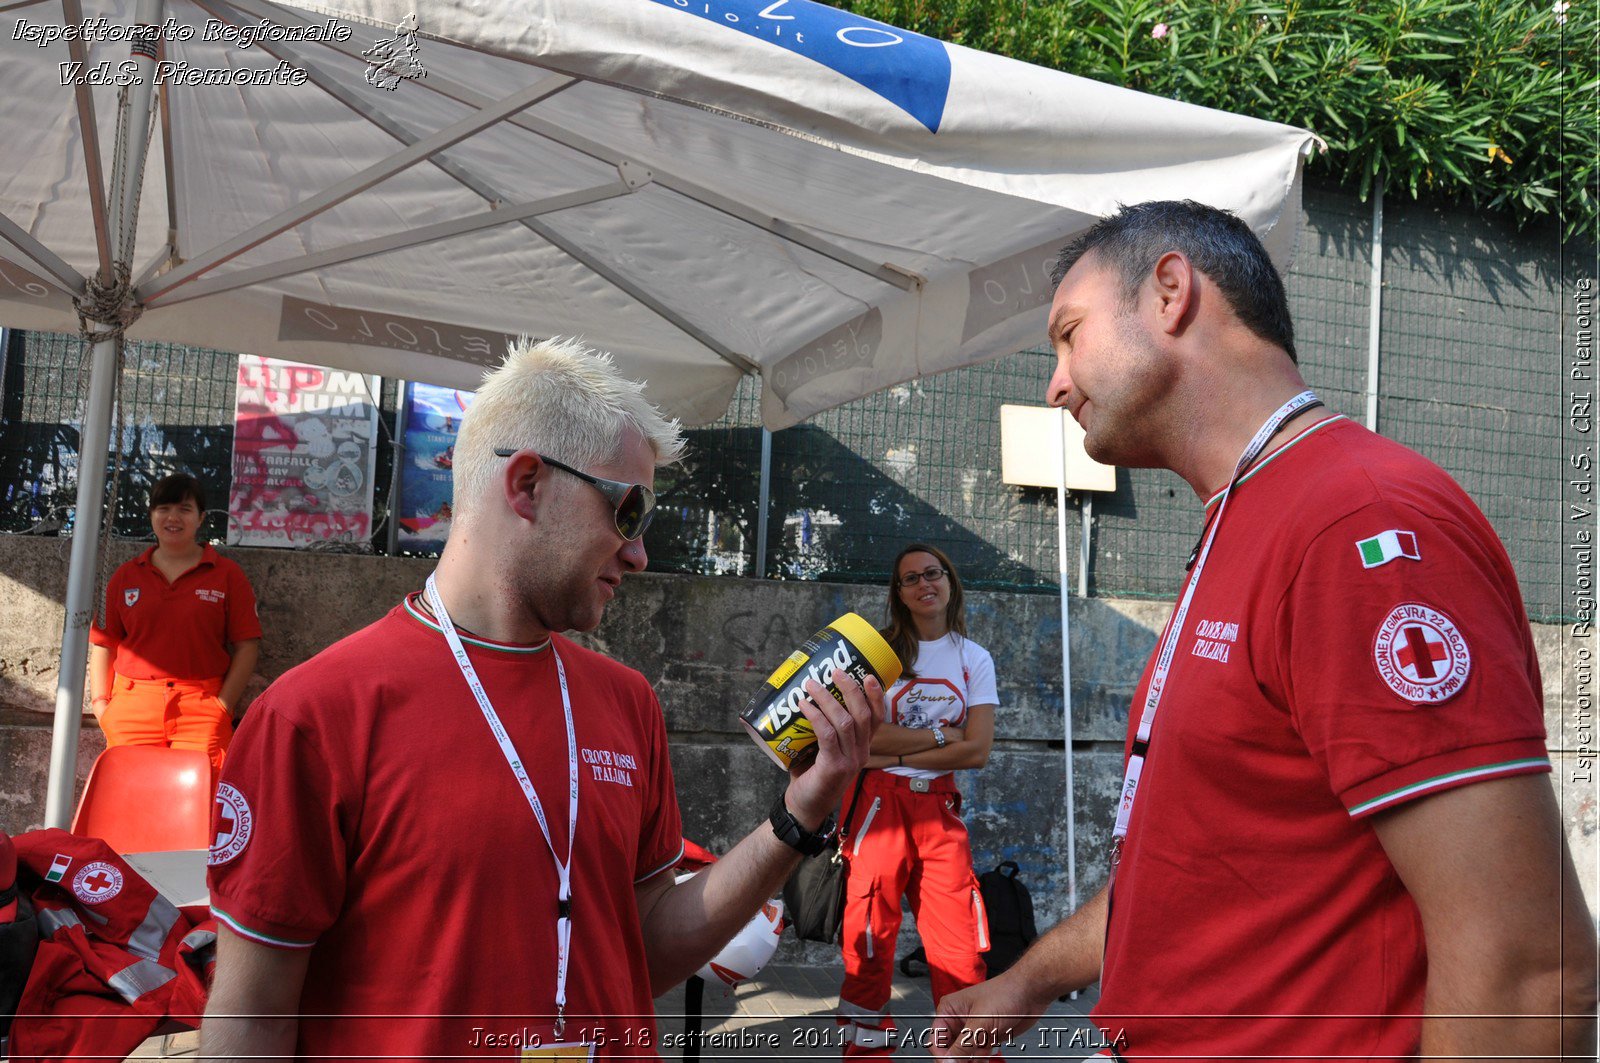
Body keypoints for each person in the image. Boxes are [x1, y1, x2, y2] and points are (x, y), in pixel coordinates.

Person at [933, 201, 1597, 1061]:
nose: (1055, 383)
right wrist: (1028, 978)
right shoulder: (1248, 516)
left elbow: (1530, 967)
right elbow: (1205, 868)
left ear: (1170, 291)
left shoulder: (1361, 526)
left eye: (1069, 334)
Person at [199, 337, 883, 1060]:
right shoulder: (315, 714)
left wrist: (799, 812)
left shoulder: (626, 702)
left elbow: (642, 947)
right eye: (628, 510)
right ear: (527, 483)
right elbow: (252, 1017)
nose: (640, 552)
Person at [836, 544, 997, 1055]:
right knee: (868, 941)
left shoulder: (975, 659)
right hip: (880, 807)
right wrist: (946, 736)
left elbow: (978, 752)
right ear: (899, 594)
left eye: (934, 573)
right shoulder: (881, 655)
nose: (924, 584)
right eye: (911, 579)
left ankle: (964, 1052)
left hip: (939, 809)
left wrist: (896, 746)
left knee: (962, 952)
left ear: (950, 582)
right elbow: (866, 745)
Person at [88, 473, 262, 776]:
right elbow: (104, 644)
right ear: (151, 515)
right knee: (130, 802)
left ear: (201, 518)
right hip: (133, 707)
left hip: (201, 706)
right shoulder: (125, 576)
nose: (173, 517)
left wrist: (223, 706)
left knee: (201, 806)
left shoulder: (227, 575)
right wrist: (101, 705)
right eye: (163, 508)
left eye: (184, 509)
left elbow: (247, 645)